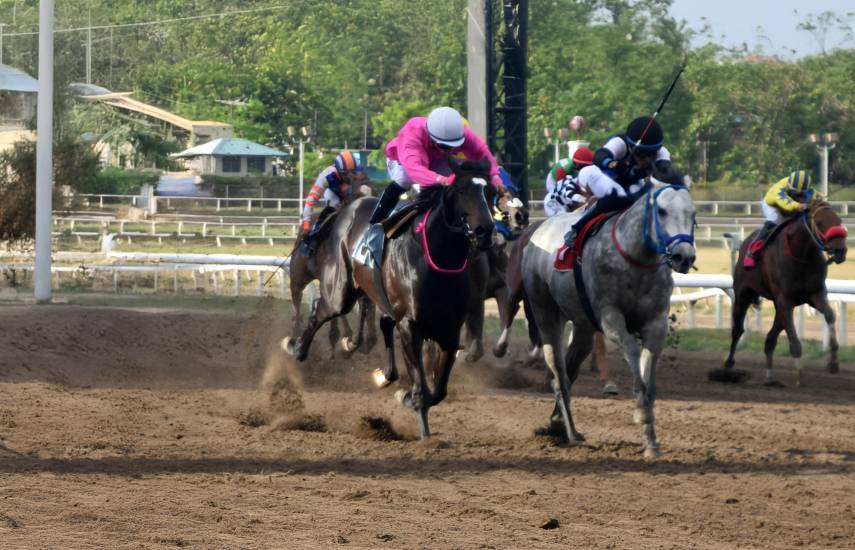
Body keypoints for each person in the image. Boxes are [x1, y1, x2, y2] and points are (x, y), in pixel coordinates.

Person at [370, 106, 506, 224]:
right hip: (402, 162)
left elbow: (483, 153)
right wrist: (442, 180)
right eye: (444, 146)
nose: (449, 150)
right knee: (403, 179)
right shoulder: (412, 133)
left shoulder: (463, 133)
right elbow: (415, 170)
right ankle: (376, 220)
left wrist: (494, 177)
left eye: (453, 146)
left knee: (466, 172)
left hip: (435, 161)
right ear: (430, 135)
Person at [563, 116, 673, 249]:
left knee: (640, 200)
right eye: (642, 155)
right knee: (617, 195)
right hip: (598, 174)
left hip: (630, 181)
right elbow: (598, 156)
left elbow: (663, 177)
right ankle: (576, 230)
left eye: (652, 154)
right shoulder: (620, 143)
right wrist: (613, 164)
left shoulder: (662, 153)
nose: (647, 160)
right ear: (632, 148)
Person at [744, 170, 819, 268]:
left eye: (800, 193)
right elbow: (784, 201)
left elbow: (820, 198)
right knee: (775, 220)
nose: (797, 194)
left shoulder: (809, 189)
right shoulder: (780, 187)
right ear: (789, 184)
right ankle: (751, 252)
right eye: (794, 191)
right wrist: (798, 206)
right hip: (773, 205)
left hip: (793, 205)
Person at [299, 150, 360, 255]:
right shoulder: (327, 175)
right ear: (339, 170)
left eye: (353, 172)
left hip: (351, 194)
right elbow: (310, 200)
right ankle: (313, 241)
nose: (350, 176)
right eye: (346, 174)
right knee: (332, 207)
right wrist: (306, 224)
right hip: (333, 194)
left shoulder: (358, 172)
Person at [543, 147, 594, 216]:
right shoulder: (565, 169)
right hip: (553, 183)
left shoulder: (576, 172)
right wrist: (583, 199)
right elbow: (564, 189)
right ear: (578, 164)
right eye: (586, 167)